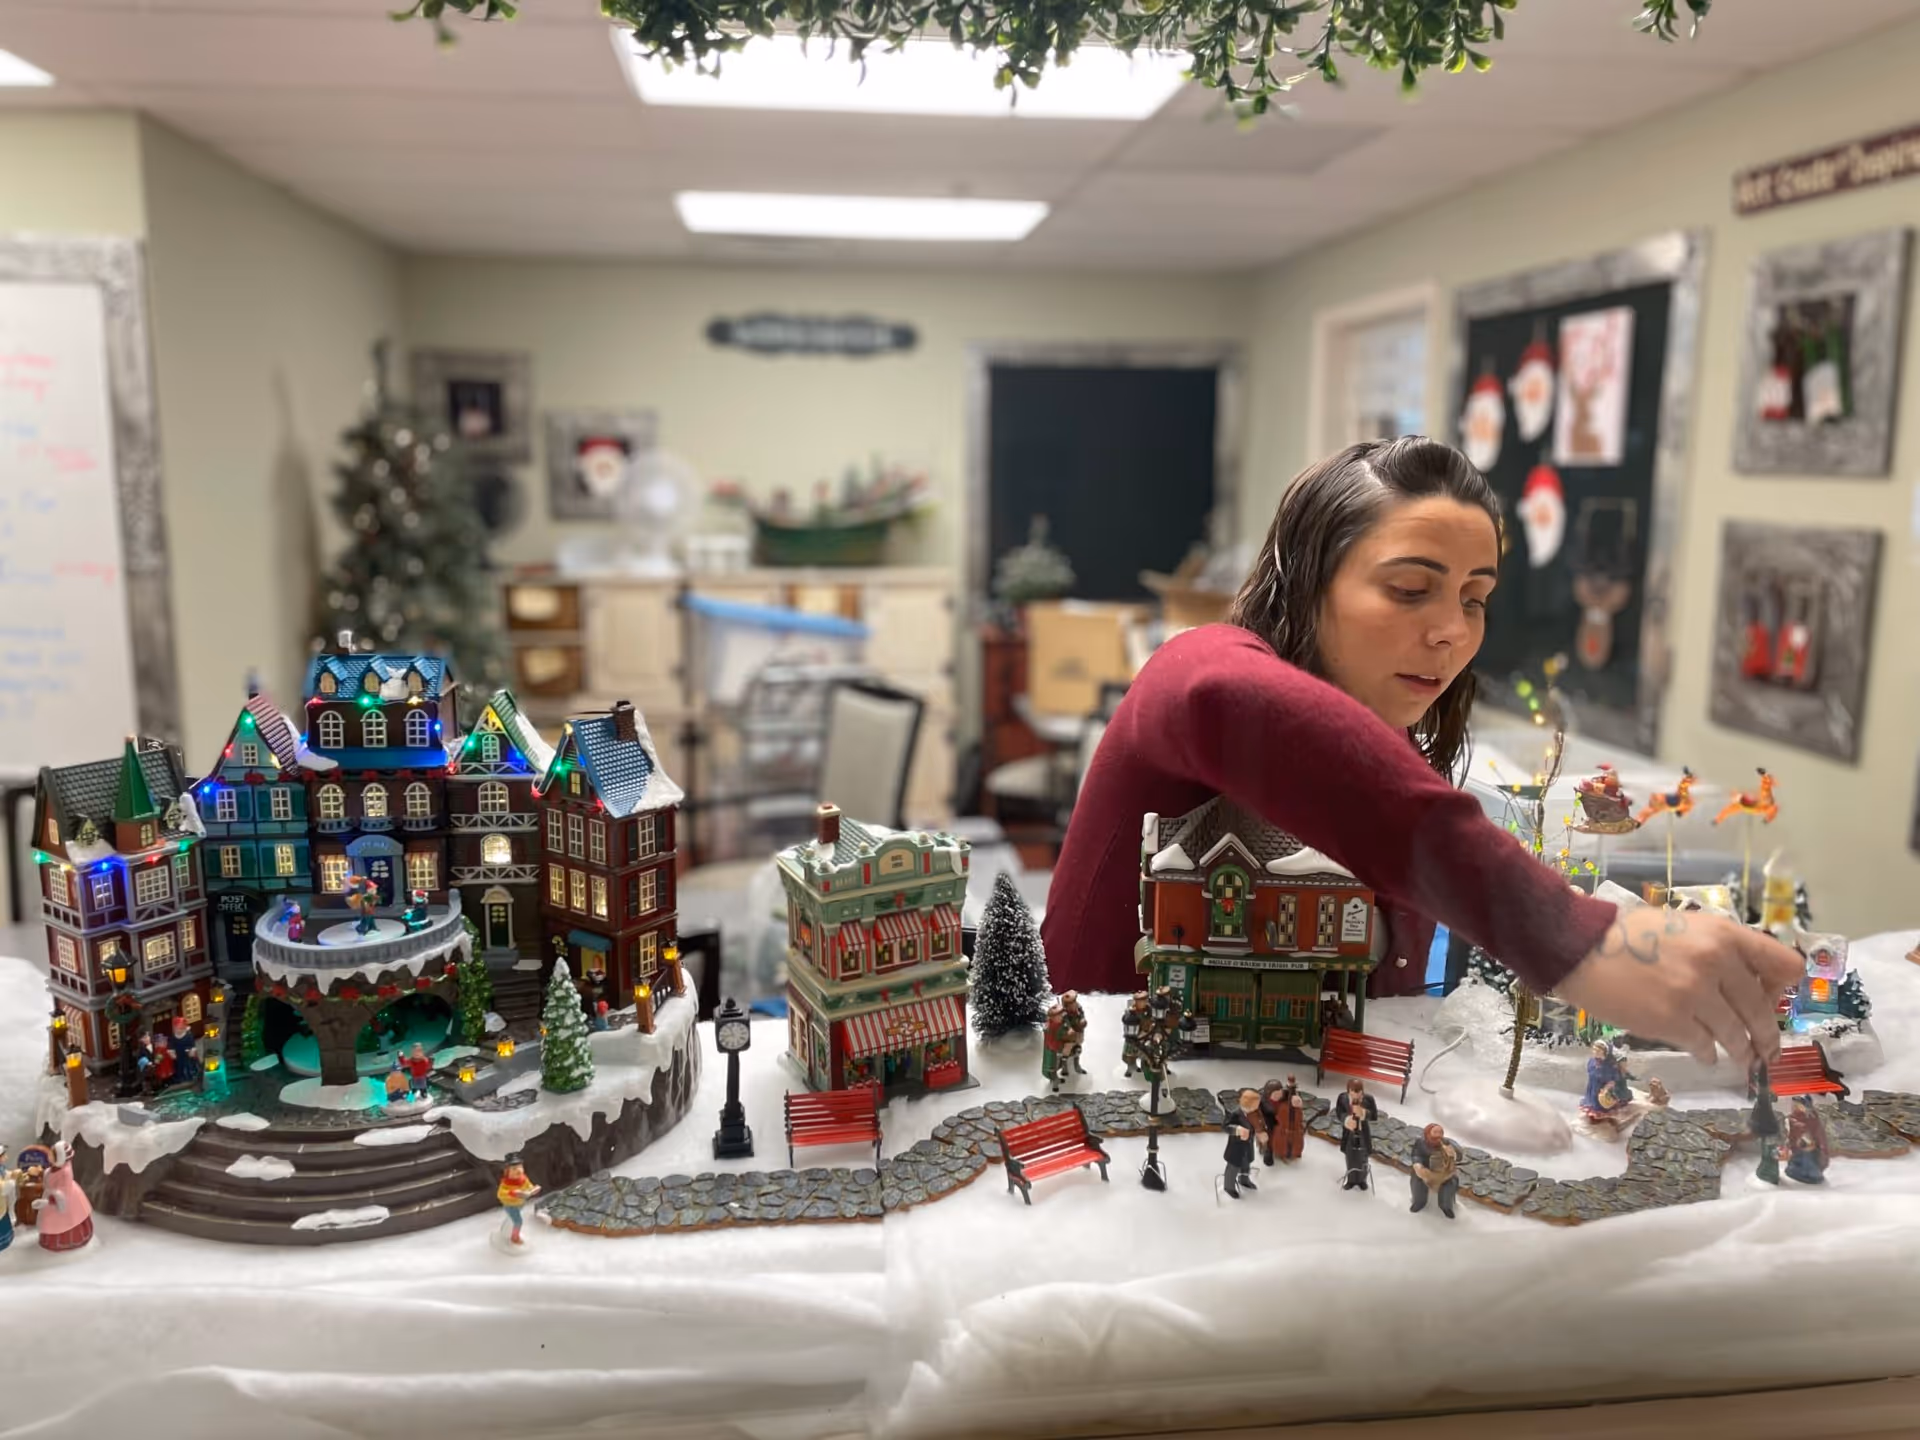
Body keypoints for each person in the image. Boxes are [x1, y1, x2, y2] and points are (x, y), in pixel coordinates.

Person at [1041, 439, 1802, 1070]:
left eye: (1474, 598)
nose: (1452, 631)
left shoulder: (1397, 745)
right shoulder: (1199, 668)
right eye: (1411, 589)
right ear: (1305, 583)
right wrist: (1578, 938)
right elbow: (1231, 698)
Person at [1410, 1122, 1461, 1218]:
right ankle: (1419, 1203)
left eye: (1440, 1132)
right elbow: (1416, 1154)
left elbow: (1459, 1154)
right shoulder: (1421, 1143)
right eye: (1435, 1132)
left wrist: (1454, 1153)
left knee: (1448, 1191)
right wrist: (1418, 1165)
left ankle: (1447, 1207)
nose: (1438, 1135)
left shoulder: (1447, 1143)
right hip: (1426, 1172)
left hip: (1445, 1174)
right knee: (1418, 1186)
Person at [1335, 1077, 1376, 1191]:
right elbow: (1339, 1112)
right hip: (1349, 1134)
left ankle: (1362, 1180)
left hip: (1363, 1133)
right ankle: (1351, 1180)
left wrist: (1363, 1113)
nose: (1355, 1095)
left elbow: (1374, 1115)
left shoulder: (1368, 1099)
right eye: (1353, 1091)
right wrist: (1346, 1120)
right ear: (1348, 1090)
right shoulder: (1342, 1098)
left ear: (1362, 1091)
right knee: (1350, 1157)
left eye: (1358, 1092)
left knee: (1363, 1158)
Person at [1223, 1089, 1263, 1200]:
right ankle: (1229, 1187)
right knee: (1233, 1167)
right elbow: (1225, 1127)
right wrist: (1237, 1130)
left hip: (1248, 1145)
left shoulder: (1254, 1114)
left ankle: (1244, 1180)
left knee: (1246, 1164)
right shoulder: (1234, 1114)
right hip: (1236, 1147)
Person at [1260, 1077, 1305, 1166]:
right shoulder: (1263, 1101)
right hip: (1269, 1120)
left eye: (1279, 1093)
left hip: (1282, 1119)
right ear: (1269, 1094)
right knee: (1269, 1133)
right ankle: (1268, 1151)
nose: (1278, 1096)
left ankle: (1292, 1149)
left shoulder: (1284, 1094)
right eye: (1275, 1094)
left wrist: (1297, 1099)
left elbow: (1293, 1095)